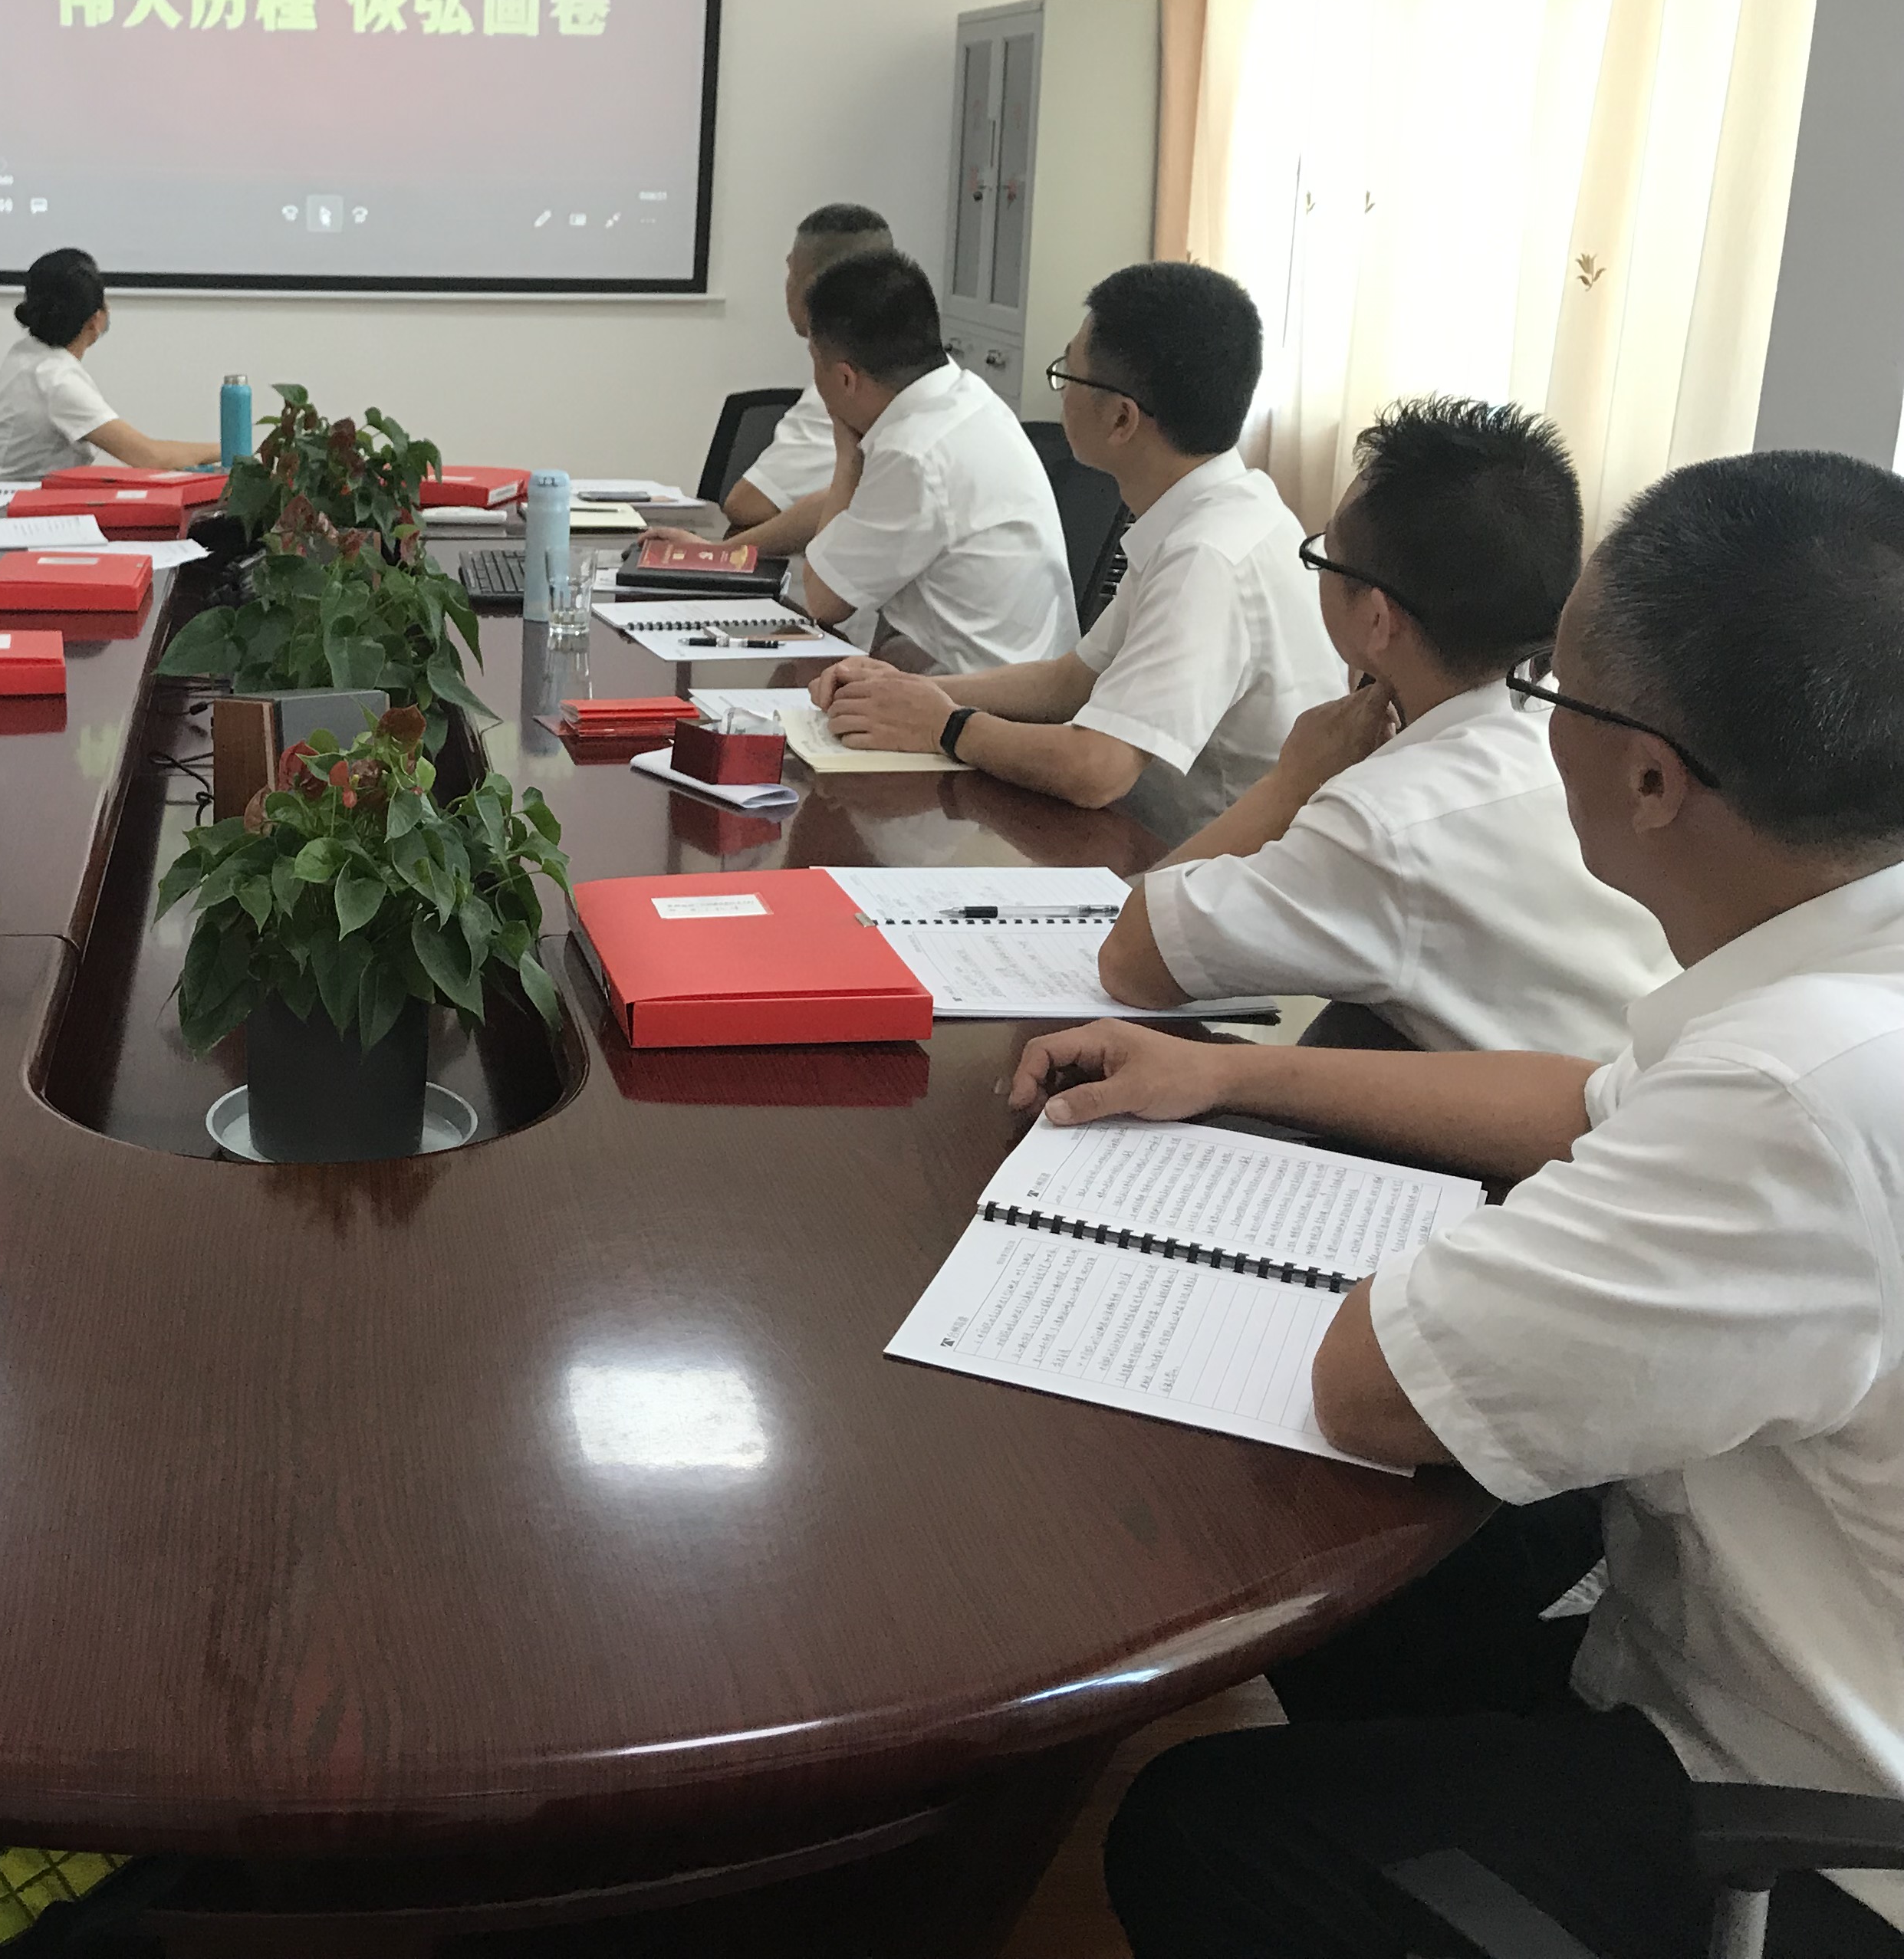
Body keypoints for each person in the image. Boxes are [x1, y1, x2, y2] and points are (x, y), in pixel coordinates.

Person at [1003, 449, 1904, 1959]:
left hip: (1810, 1825)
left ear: (1651, 777)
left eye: (1554, 689)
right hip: (1794, 1637)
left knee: (1201, 1821)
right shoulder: (1835, 986)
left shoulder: (1797, 1097)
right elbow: (1587, 1097)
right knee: (1402, 1596)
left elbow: (1371, 1388)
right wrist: (1229, 1077)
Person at [1098, 398, 1671, 1055]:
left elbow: (1130, 959)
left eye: (1326, 556)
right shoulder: (1592, 740)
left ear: (1377, 619)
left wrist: (1289, 788)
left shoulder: (1387, 820)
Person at [808, 260, 1343, 840]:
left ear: (1120, 418)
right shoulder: (1224, 506)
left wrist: (946, 726)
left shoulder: (1206, 557)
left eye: (1068, 374)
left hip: (1196, 864)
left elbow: (1097, 770)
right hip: (1151, 840)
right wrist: (909, 694)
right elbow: (1074, 680)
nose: (1060, 391)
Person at [785, 248, 1074, 675]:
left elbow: (823, 601)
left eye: (815, 360)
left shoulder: (912, 452)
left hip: (982, 697)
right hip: (1015, 674)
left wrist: (847, 457)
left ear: (846, 378)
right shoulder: (967, 397)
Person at [712, 202, 897, 545]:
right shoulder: (927, 377)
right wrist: (721, 552)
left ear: (815, 287)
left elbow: (748, 506)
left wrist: (720, 551)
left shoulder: (848, 386)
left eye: (791, 272)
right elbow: (839, 501)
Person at [0, 248, 213, 482]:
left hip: (23, 498)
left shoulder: (28, 353)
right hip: (17, 505)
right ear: (95, 320)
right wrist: (229, 451)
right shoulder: (56, 380)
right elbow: (150, 457)